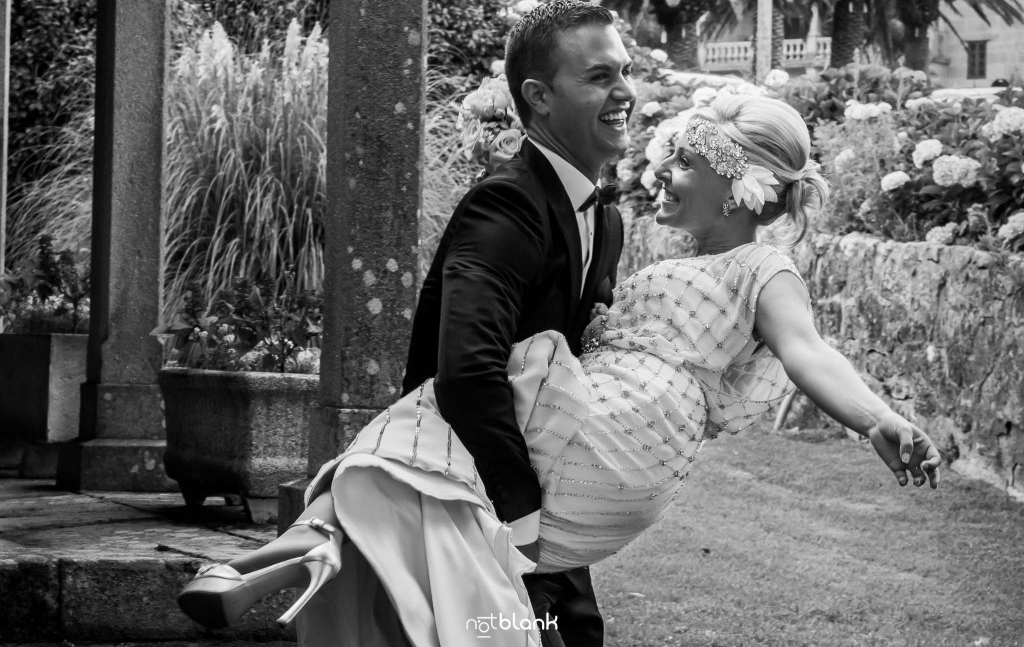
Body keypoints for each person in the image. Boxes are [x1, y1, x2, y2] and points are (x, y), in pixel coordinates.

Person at [177, 65, 943, 647]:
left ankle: (312, 541)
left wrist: (875, 418)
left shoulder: (763, 268)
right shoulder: (645, 243)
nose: (660, 171)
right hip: (607, 410)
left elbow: (808, 351)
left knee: (466, 398)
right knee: (442, 473)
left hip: (630, 422)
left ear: (738, 189)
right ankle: (308, 548)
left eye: (683, 163)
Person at [179, 0, 633, 647]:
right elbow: (469, 370)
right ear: (537, 96)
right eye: (598, 76)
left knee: (566, 626)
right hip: (474, 485)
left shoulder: (603, 216)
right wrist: (525, 515)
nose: (625, 92)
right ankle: (319, 534)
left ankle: (315, 536)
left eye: (624, 70)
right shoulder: (508, 203)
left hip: (497, 470)